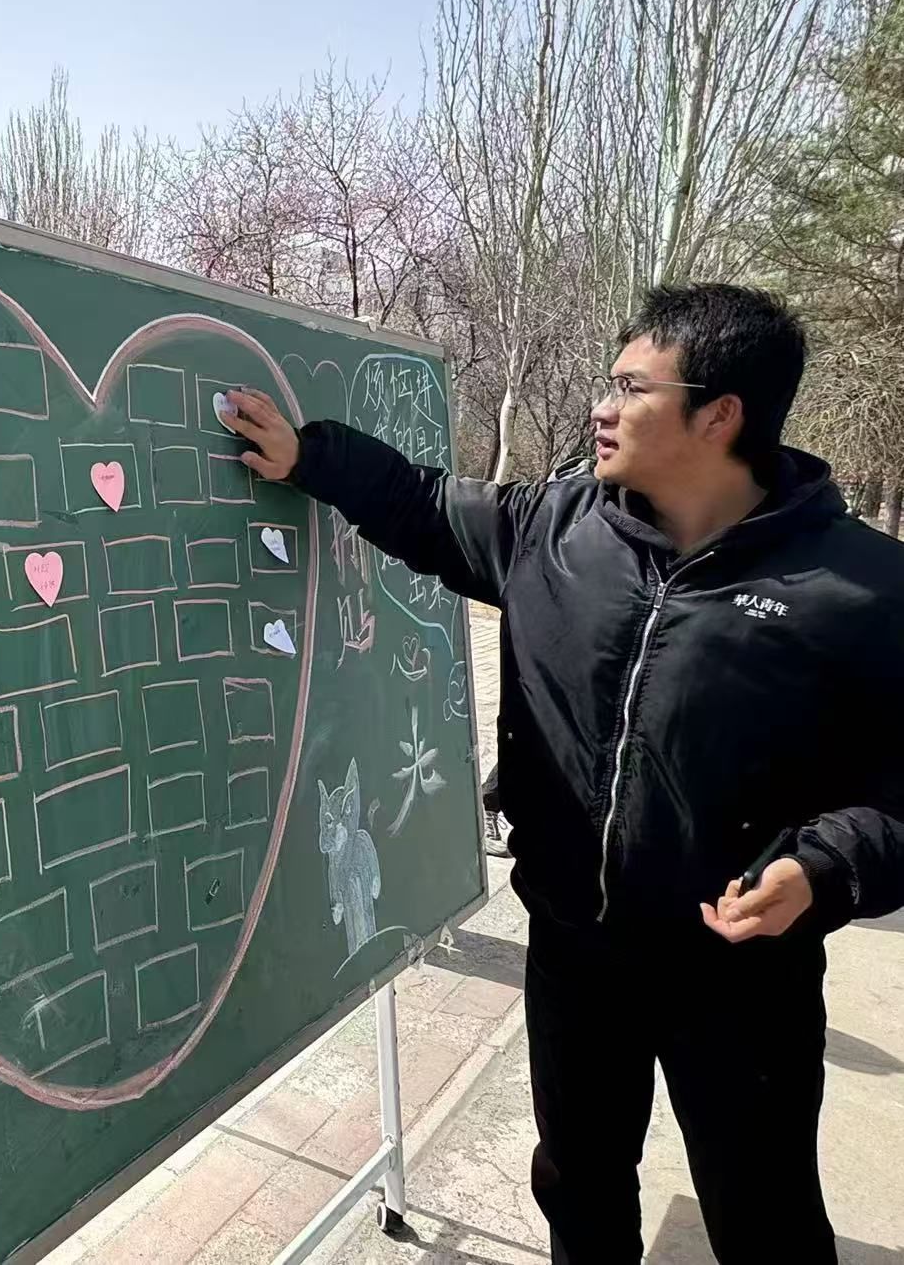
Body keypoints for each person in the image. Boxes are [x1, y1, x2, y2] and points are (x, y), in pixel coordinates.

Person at [219, 284, 904, 1264]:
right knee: (578, 1181)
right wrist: (309, 456)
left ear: (719, 416)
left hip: (742, 976)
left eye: (631, 387)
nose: (602, 406)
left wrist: (825, 868)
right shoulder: (553, 528)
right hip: (574, 951)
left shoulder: (864, 591)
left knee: (763, 1214)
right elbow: (420, 503)